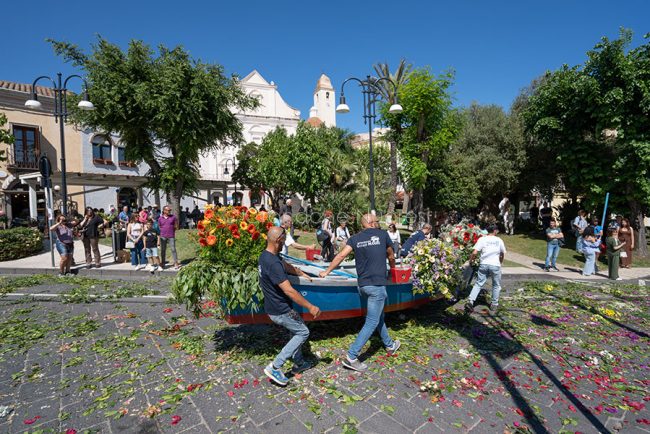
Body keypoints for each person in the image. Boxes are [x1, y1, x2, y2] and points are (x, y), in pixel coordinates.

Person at [319, 214, 401, 372]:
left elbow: (342, 255)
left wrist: (326, 271)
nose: (378, 223)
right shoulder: (383, 235)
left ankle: (390, 345)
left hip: (363, 286)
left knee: (378, 317)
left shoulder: (355, 239)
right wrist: (393, 271)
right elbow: (391, 255)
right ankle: (351, 356)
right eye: (377, 221)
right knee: (371, 321)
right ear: (371, 222)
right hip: (377, 286)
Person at [260, 227, 321, 385]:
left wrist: (300, 273)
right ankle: (275, 366)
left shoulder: (266, 255)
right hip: (280, 309)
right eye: (284, 240)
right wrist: (310, 306)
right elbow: (289, 291)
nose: (285, 243)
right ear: (278, 240)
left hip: (273, 306)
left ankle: (299, 363)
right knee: (303, 332)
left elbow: (284, 265)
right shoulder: (272, 263)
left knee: (295, 328)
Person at [464, 224, 507, 313]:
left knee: (479, 283)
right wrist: (500, 262)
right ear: (495, 231)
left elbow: (475, 252)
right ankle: (494, 304)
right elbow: (502, 253)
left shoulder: (482, 239)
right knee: (496, 285)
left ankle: (471, 301)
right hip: (495, 265)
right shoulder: (499, 240)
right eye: (497, 230)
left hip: (484, 264)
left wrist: (471, 260)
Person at [158, 205, 181, 270]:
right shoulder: (160, 218)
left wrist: (173, 230)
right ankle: (163, 263)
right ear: (164, 211)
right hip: (163, 236)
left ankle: (176, 263)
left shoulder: (173, 217)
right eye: (168, 210)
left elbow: (176, 226)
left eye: (170, 210)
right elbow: (159, 226)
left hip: (171, 235)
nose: (169, 211)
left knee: (173, 249)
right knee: (163, 250)